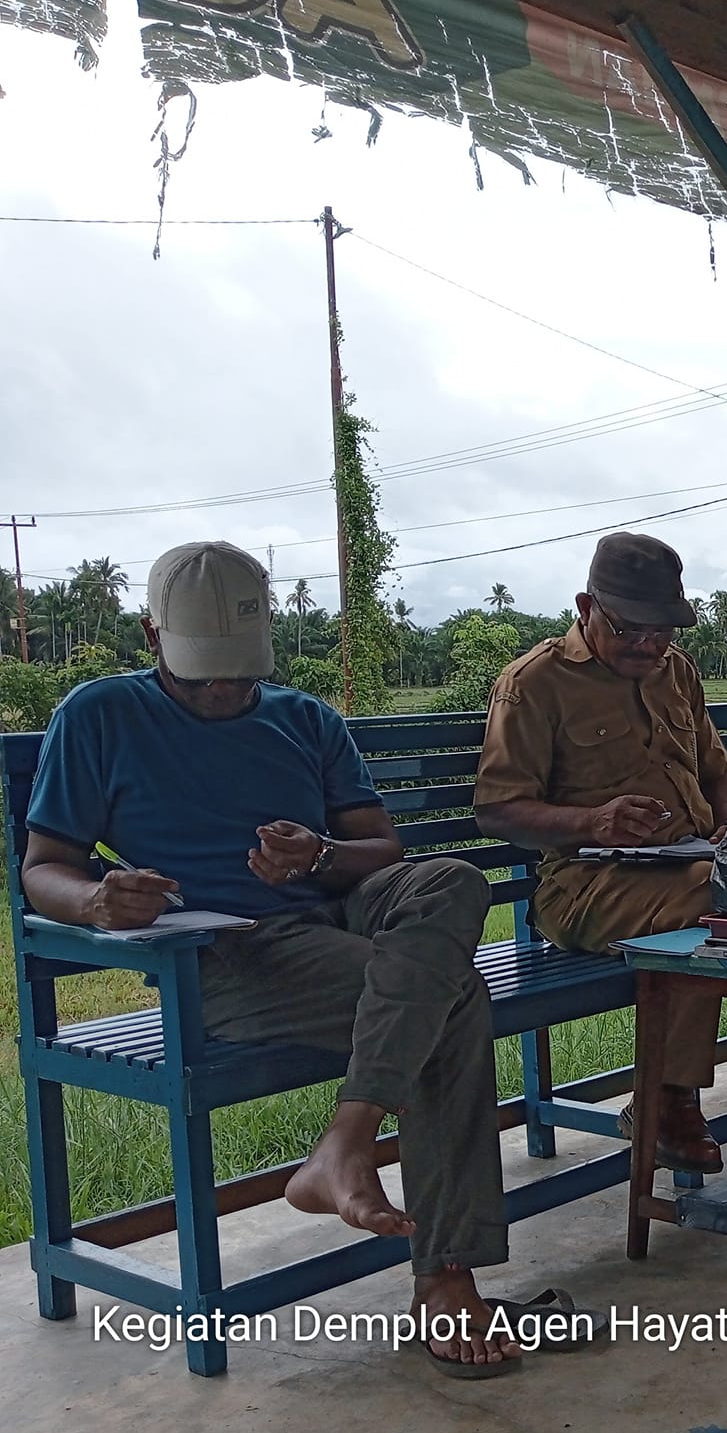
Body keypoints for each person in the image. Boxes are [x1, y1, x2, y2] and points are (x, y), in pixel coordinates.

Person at [22, 542, 520, 1378]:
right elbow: (44, 868)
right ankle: (444, 1278)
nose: (223, 690)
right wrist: (96, 901)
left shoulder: (305, 718)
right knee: (450, 998)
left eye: (240, 672)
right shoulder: (99, 716)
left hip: (336, 911)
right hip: (225, 951)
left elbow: (381, 849)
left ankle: (344, 1142)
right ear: (151, 636)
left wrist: (319, 854)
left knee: (455, 880)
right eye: (202, 675)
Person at [474, 534, 727, 1162]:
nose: (647, 645)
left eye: (661, 631)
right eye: (630, 629)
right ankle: (665, 1104)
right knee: (712, 904)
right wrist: (594, 822)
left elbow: (718, 775)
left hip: (695, 864)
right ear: (586, 607)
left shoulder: (677, 671)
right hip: (584, 886)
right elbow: (498, 809)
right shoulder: (535, 683)